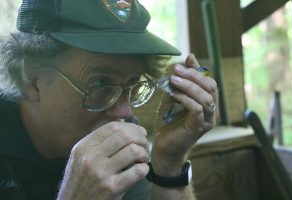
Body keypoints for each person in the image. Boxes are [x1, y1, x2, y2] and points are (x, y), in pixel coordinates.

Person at [0, 0, 218, 199]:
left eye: (132, 84)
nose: (125, 112)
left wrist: (169, 162)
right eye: (100, 85)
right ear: (31, 78)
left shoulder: (120, 140)